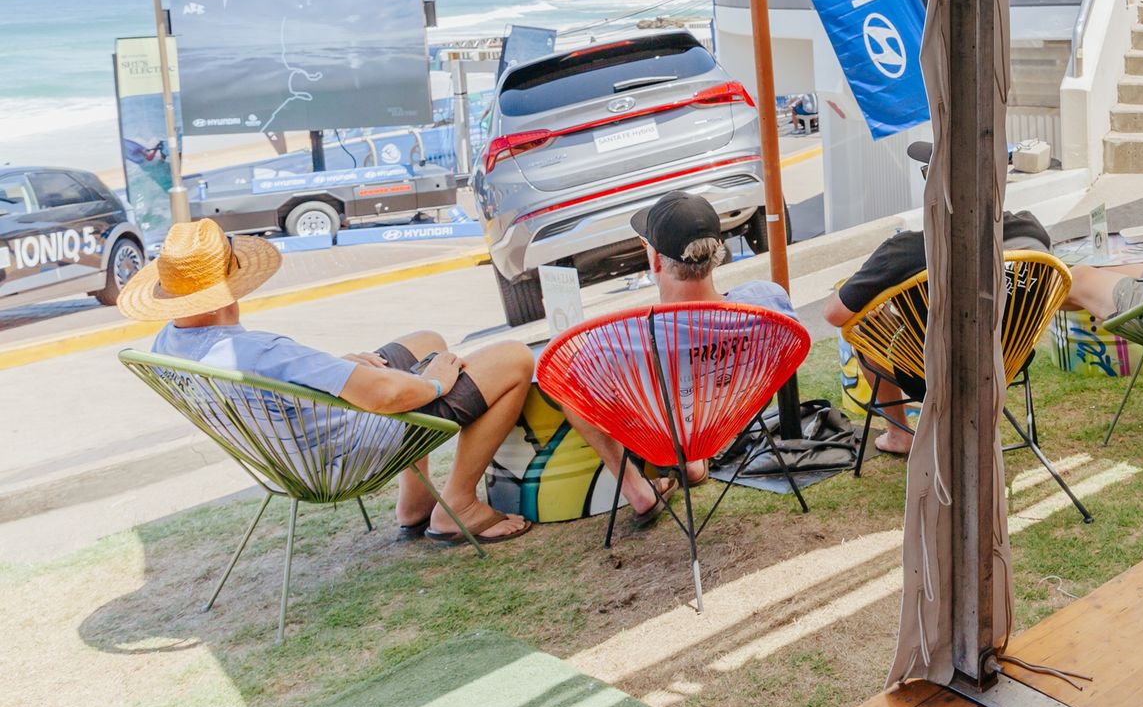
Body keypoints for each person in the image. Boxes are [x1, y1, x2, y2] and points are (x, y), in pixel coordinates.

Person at [128, 219, 534, 544]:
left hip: (294, 454)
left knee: (426, 341)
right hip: (348, 450)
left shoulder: (167, 345)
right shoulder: (262, 351)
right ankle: (458, 506)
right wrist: (434, 384)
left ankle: (415, 503)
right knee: (513, 358)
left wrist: (330, 370)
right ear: (229, 288)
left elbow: (276, 387)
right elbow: (386, 395)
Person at [554, 191, 798, 527]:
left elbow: (569, 379)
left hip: (660, 436)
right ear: (718, 254)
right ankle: (695, 463)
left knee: (571, 394)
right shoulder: (765, 303)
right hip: (727, 421)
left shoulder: (620, 339)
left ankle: (637, 491)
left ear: (655, 262)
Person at [822, 210, 1051, 456]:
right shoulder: (1029, 227)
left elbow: (834, 314)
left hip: (935, 372)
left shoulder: (904, 250)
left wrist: (875, 295)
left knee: (866, 330)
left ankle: (899, 435)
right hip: (1009, 359)